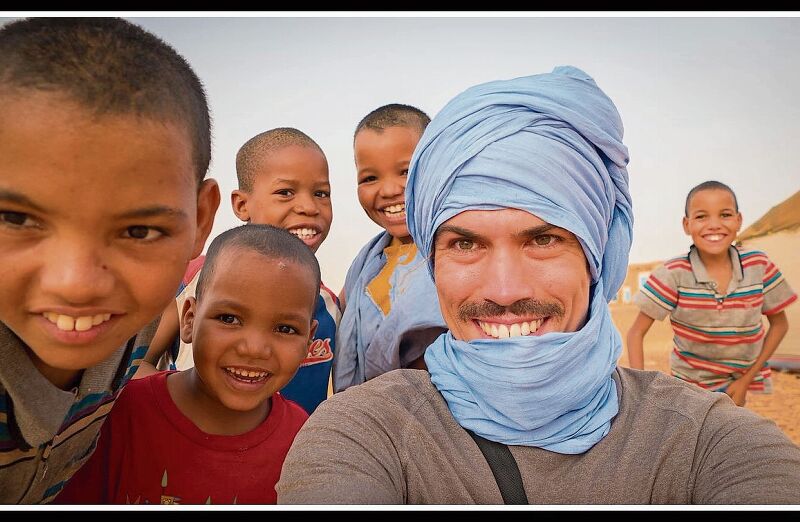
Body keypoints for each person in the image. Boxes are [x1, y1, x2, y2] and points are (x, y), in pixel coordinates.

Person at [276, 66, 800, 505]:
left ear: (598, 256)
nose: (503, 290)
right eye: (465, 244)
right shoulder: (364, 436)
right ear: (434, 263)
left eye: (543, 239)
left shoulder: (702, 439)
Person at [0, 18, 220, 504]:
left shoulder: (133, 323)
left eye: (139, 232)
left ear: (200, 220)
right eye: (15, 219)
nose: (77, 285)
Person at [55, 225, 317, 504]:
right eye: (229, 319)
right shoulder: (117, 414)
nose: (253, 348)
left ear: (309, 340)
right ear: (189, 319)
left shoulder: (306, 441)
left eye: (285, 329)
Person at [137, 128, 339, 415]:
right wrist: (183, 407)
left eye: (321, 193)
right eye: (285, 193)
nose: (308, 207)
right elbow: (131, 366)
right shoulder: (198, 279)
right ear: (242, 205)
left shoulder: (329, 305)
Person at [627, 181, 796, 406]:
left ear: (739, 220)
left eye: (725, 215)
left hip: (739, 386)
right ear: (686, 225)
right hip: (689, 388)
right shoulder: (674, 273)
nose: (714, 225)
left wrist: (746, 380)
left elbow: (780, 325)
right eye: (701, 217)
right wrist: (641, 394)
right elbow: (635, 333)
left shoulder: (758, 265)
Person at [333, 104, 447, 392]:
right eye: (370, 178)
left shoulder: (459, 248)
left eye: (405, 171)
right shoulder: (365, 266)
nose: (388, 190)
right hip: (376, 412)